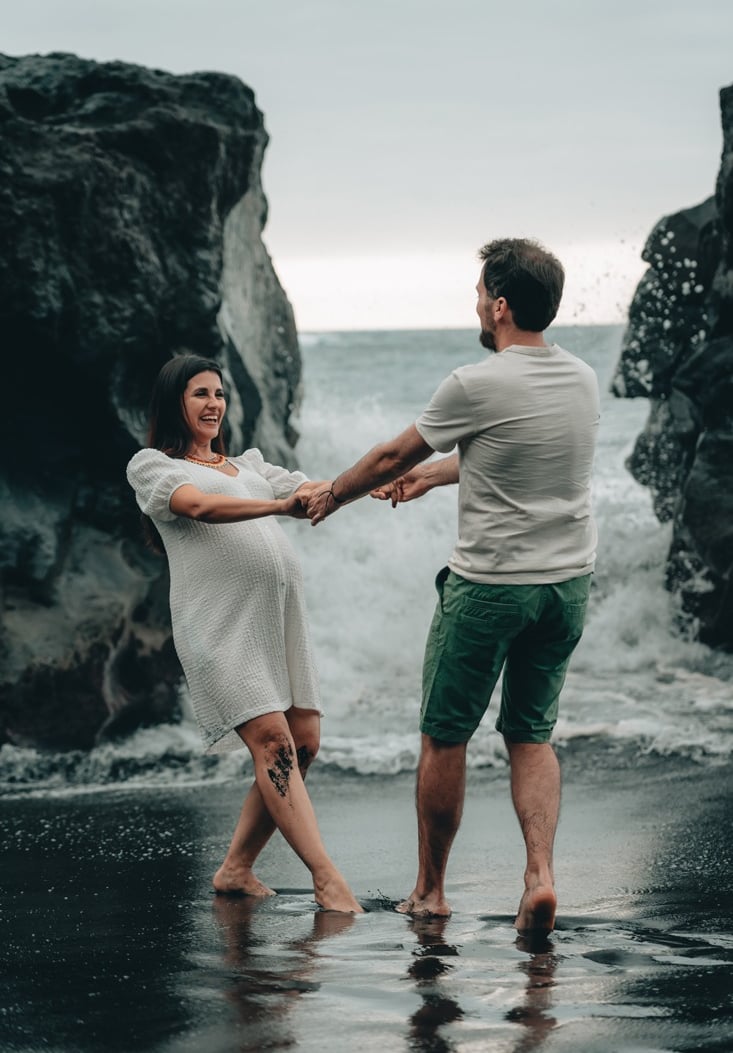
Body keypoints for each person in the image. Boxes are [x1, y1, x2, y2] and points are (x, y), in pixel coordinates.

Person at [307, 238, 599, 933]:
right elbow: (505, 450)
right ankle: (539, 878)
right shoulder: (581, 379)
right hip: (565, 587)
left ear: (499, 305)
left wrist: (334, 495)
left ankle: (431, 891)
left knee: (445, 737)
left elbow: (390, 454)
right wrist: (434, 478)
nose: (476, 304)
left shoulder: (475, 383)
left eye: (479, 294)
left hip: (490, 587)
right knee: (531, 736)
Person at [127, 354, 363, 914]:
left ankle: (236, 868)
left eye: (219, 393)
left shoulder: (248, 466)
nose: (214, 404)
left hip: (277, 622)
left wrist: (379, 480)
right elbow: (199, 506)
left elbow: (319, 488)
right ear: (174, 403)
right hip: (218, 624)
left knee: (303, 744)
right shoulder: (154, 467)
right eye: (200, 394)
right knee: (273, 745)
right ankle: (328, 880)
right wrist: (279, 507)